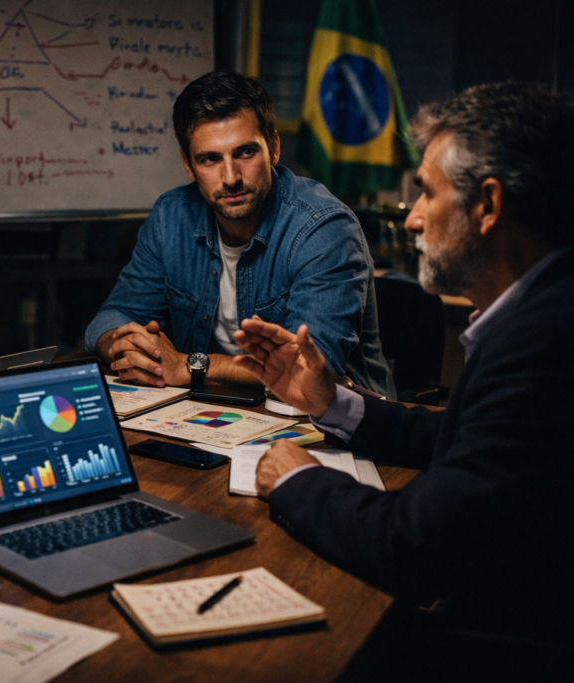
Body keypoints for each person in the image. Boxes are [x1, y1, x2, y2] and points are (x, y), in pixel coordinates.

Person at [233, 82, 574, 666]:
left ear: (488, 207)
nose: (412, 219)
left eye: (427, 194)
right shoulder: (547, 309)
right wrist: (331, 403)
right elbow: (468, 441)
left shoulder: (543, 342)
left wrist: (297, 478)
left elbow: (414, 547)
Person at [85, 71, 394, 398]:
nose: (230, 177)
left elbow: (309, 369)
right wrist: (128, 348)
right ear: (189, 166)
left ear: (273, 148)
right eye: (210, 159)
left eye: (245, 153)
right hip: (219, 412)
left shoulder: (323, 227)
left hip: (335, 426)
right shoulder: (171, 217)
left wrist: (190, 365)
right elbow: (111, 319)